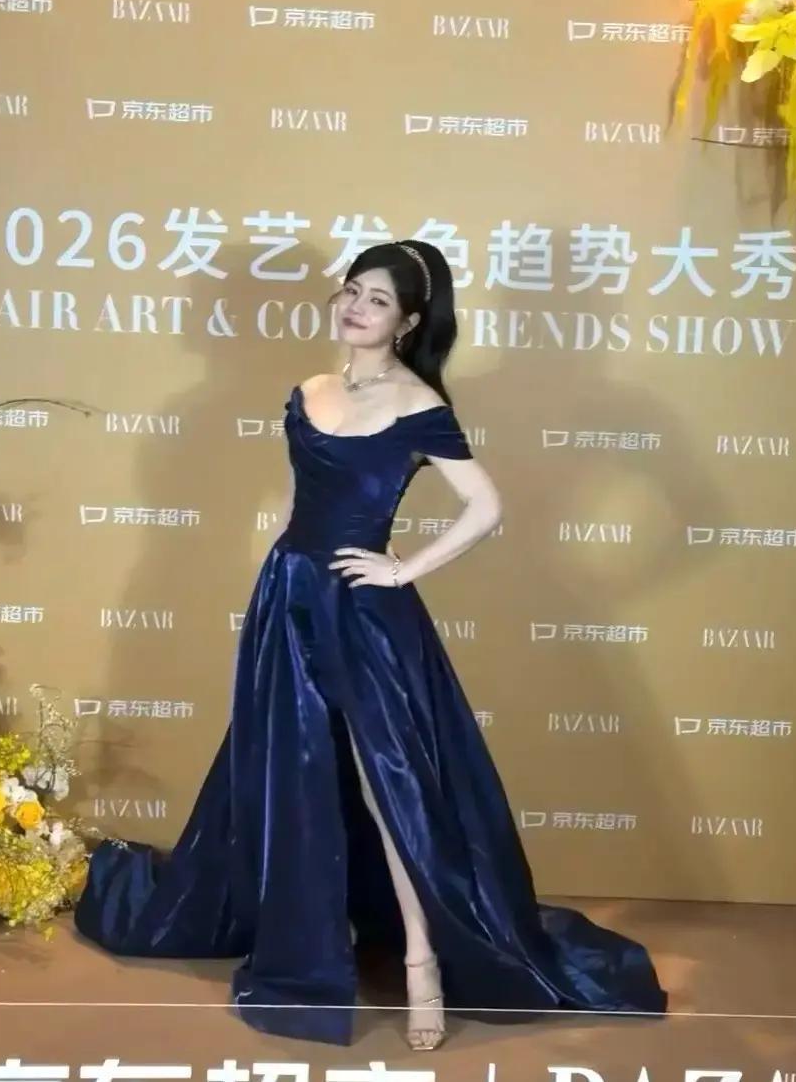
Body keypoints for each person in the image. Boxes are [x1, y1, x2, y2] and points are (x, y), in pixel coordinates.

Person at [74, 238, 668, 1050]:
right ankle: (311, 941)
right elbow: (299, 499)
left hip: (364, 610)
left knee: (391, 787)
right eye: (351, 290)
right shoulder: (310, 391)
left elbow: (486, 506)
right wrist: (282, 567)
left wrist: (402, 568)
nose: (356, 307)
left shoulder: (419, 406)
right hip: (288, 596)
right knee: (296, 770)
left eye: (378, 299)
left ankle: (424, 962)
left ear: (409, 321)